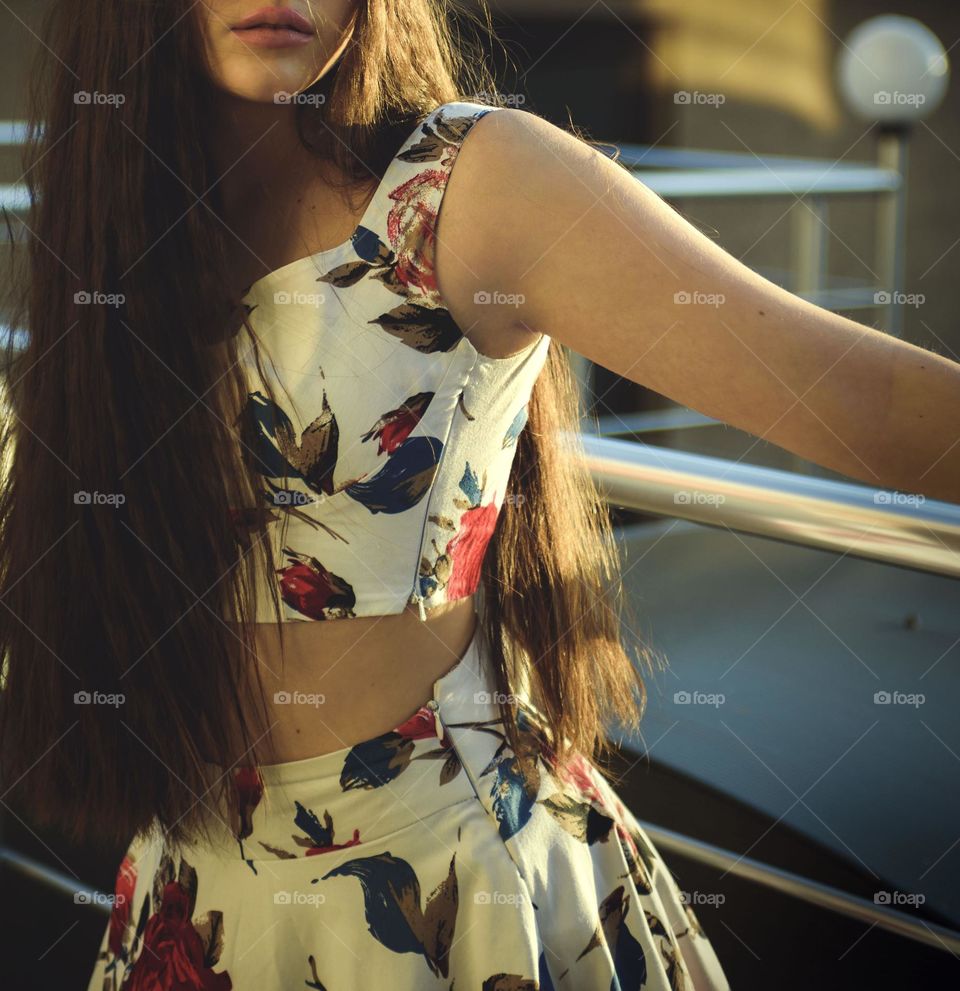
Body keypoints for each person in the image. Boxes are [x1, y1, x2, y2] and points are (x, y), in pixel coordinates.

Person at [1, 2, 957, 989]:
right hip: (198, 892)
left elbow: (863, 399)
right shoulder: (120, 218)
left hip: (454, 891)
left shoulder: (476, 183)